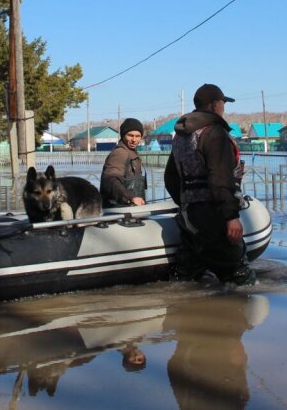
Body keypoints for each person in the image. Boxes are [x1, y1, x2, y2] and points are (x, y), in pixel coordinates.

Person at [163, 83, 254, 285]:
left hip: (188, 217)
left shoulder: (180, 136)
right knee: (238, 276)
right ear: (214, 105)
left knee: (186, 275)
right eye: (223, 103)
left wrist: (186, 202)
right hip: (214, 215)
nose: (224, 108)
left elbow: (170, 178)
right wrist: (231, 216)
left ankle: (182, 312)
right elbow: (220, 178)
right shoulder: (214, 133)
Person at [100, 117, 148, 207]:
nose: (134, 140)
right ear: (123, 135)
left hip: (132, 207)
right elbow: (110, 180)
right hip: (118, 209)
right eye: (130, 135)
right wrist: (131, 198)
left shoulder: (133, 153)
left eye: (137, 136)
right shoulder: (120, 153)